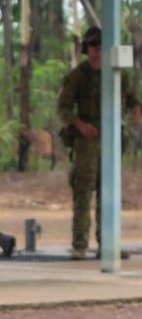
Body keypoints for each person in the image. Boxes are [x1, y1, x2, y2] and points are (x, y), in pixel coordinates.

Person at [56, 25, 141, 260]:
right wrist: (79, 124)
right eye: (94, 46)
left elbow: (131, 98)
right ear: (86, 49)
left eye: (102, 47)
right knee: (83, 190)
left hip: (112, 135)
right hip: (87, 140)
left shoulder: (117, 74)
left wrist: (135, 107)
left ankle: (108, 243)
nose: (98, 51)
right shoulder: (77, 76)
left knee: (109, 191)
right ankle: (80, 244)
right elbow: (63, 108)